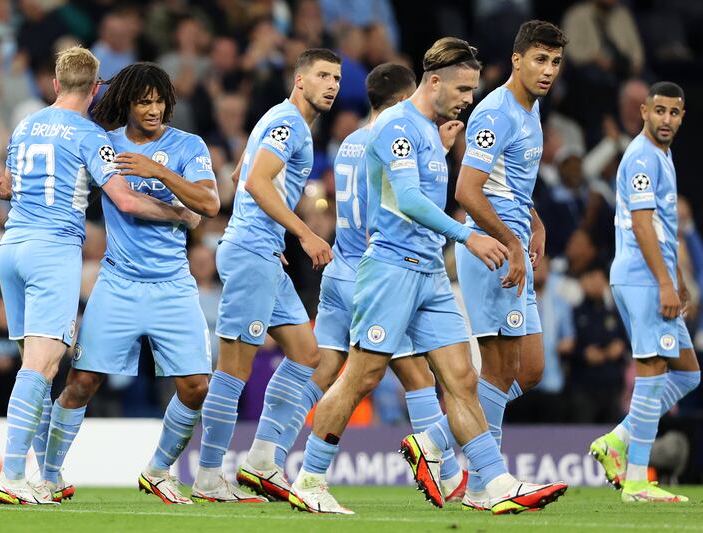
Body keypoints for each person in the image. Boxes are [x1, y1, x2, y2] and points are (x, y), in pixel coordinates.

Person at [290, 37, 567, 515]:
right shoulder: (396, 125)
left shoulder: (429, 129)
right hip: (392, 268)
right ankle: (309, 477)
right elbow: (412, 201)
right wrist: (468, 235)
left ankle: (493, 481)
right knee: (362, 374)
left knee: (461, 377)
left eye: (473, 90)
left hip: (431, 272)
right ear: (433, 81)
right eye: (461, 89)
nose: (468, 99)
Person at [0, 46, 197, 505]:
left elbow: (21, 189)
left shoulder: (25, 125)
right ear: (96, 87)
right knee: (40, 367)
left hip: (12, 247)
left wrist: (4, 191)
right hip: (52, 251)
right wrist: (178, 213)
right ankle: (11, 475)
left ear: (56, 84)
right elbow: (124, 200)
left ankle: (47, 476)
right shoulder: (89, 135)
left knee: (37, 367)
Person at [274, 62, 467, 502]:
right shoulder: (396, 140)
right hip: (378, 273)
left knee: (323, 372)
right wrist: (435, 151)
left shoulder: (348, 144)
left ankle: (269, 452)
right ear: (403, 101)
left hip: (340, 269)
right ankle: (444, 471)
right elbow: (404, 205)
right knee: (414, 378)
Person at [34, 62, 219, 504]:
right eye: (143, 101)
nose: (153, 109)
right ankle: (50, 474)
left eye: (159, 101)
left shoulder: (187, 145)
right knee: (81, 383)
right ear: (128, 104)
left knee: (196, 387)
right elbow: (64, 183)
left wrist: (160, 173)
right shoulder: (105, 144)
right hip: (117, 282)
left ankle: (158, 470)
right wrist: (9, 192)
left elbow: (210, 203)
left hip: (174, 284)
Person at [192, 48, 340, 503]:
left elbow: (240, 173)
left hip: (262, 251)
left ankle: (260, 460)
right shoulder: (290, 123)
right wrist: (303, 234)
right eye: (321, 76)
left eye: (335, 77)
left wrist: (273, 236)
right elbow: (254, 181)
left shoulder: (281, 122)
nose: (332, 84)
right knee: (234, 370)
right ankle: (209, 476)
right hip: (253, 253)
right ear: (300, 80)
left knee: (305, 353)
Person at [454, 20, 567, 505]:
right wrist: (513, 242)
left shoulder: (531, 109)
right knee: (500, 371)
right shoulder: (495, 112)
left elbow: (509, 185)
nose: (548, 71)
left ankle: (437, 440)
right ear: (517, 59)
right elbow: (466, 190)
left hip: (513, 245)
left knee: (531, 369)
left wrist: (534, 222)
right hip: (492, 250)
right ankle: (484, 483)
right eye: (540, 59)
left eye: (556, 62)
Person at [590, 81, 700, 503]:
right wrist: (665, 281)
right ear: (643, 111)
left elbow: (660, 228)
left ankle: (617, 440)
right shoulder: (640, 156)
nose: (666, 119)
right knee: (653, 372)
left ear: (682, 116)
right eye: (659, 111)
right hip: (641, 277)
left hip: (650, 274)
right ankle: (636, 480)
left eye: (674, 112)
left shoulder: (662, 157)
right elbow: (640, 225)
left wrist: (677, 275)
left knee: (688, 372)